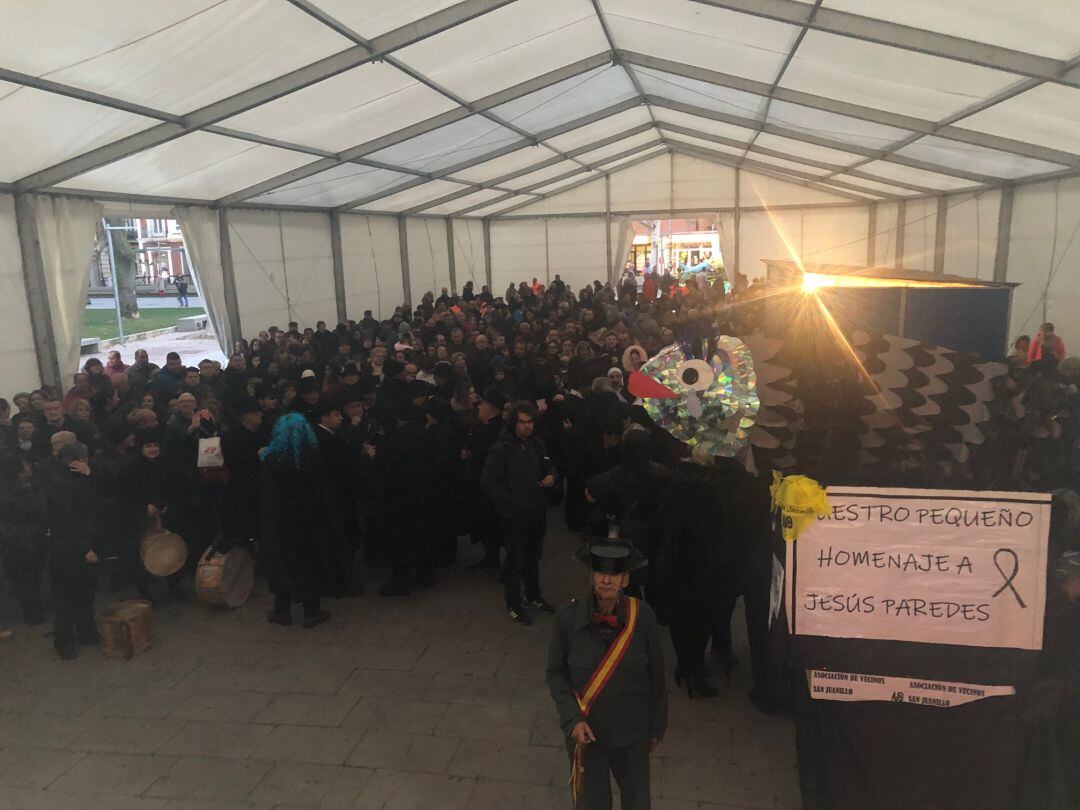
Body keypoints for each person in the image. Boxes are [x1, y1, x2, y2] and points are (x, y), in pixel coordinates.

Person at [546, 540, 667, 810]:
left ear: (625, 580)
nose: (607, 581)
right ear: (592, 577)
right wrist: (573, 719)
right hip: (589, 735)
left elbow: (656, 677)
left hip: (632, 734)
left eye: (614, 575)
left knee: (638, 802)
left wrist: (657, 726)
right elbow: (555, 675)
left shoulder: (643, 618)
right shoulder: (567, 619)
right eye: (601, 574)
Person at [481, 401, 557, 625]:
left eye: (530, 422)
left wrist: (551, 475)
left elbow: (548, 465)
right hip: (515, 515)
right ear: (514, 423)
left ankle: (532, 595)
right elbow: (487, 482)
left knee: (533, 556)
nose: (527, 427)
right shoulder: (502, 448)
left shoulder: (536, 444)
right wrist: (509, 501)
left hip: (535, 511)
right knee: (516, 558)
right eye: (522, 422)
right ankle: (513, 602)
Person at [260, 413, 334, 627]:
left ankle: (281, 610)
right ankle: (312, 611)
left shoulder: (272, 459)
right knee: (309, 563)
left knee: (284, 563)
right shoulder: (311, 456)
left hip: (281, 522)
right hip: (309, 521)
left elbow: (267, 496)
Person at [45, 441, 102, 659]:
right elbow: (67, 520)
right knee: (68, 597)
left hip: (77, 543)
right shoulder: (63, 484)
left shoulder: (73, 478)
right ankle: (64, 642)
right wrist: (85, 547)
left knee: (85, 591)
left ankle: (87, 632)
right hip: (70, 547)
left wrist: (89, 474)